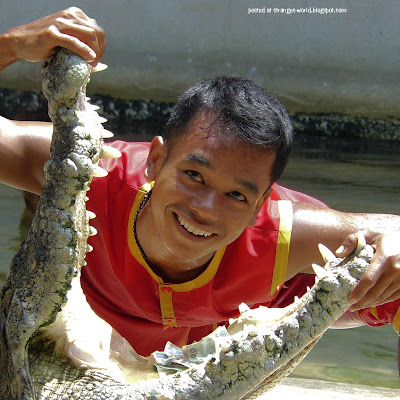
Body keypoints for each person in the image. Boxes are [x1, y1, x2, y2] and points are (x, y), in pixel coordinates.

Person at [0, 8, 399, 357]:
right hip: (97, 314)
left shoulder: (279, 233)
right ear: (156, 160)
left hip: (246, 319)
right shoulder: (91, 175)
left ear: (261, 205)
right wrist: (13, 44)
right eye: (193, 175)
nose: (205, 208)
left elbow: (390, 234)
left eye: (237, 195)